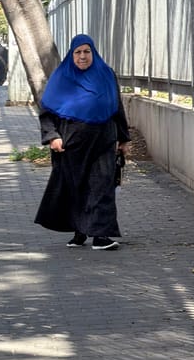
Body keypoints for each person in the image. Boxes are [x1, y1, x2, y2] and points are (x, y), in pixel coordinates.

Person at [34, 33, 131, 251]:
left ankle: (101, 236)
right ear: (71, 54)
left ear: (93, 53)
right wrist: (52, 136)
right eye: (78, 52)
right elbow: (47, 112)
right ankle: (79, 231)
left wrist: (123, 138)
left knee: (102, 186)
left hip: (103, 140)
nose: (82, 56)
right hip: (70, 143)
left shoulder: (106, 74)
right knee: (74, 187)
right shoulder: (61, 77)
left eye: (87, 51)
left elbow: (117, 107)